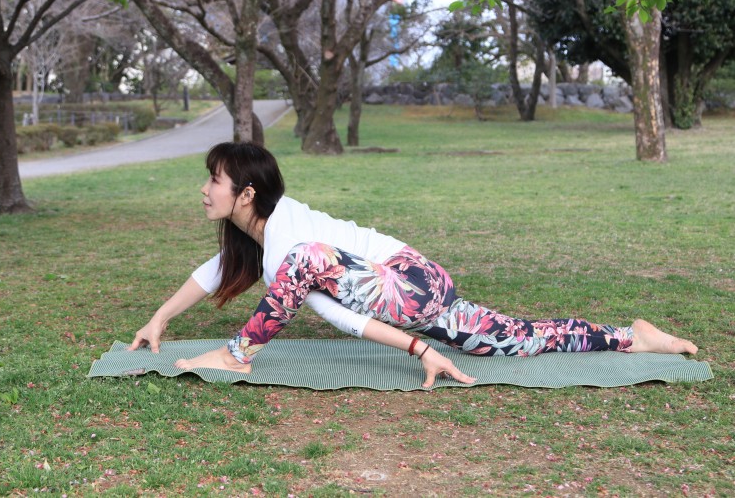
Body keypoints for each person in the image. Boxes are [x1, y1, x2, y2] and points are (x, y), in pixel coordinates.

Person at [129, 142, 698, 388]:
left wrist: (418, 349)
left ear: (246, 194)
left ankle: (237, 355)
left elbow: (339, 314)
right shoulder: (265, 236)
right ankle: (633, 337)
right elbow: (214, 271)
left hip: (408, 281)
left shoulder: (287, 242)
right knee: (513, 340)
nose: (205, 189)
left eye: (214, 180)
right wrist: (159, 319)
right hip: (418, 286)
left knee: (301, 263)